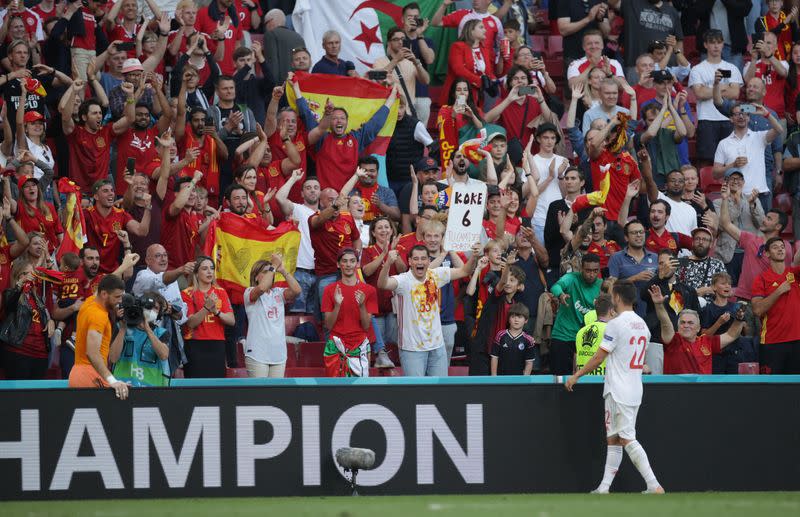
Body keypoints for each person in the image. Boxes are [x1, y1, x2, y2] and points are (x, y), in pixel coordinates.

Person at [565, 280, 664, 495]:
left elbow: (600, 357)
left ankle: (654, 484)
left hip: (619, 389)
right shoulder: (642, 325)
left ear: (617, 297)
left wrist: (576, 376)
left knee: (627, 437)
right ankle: (604, 488)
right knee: (614, 438)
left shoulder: (616, 324)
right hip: (633, 387)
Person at [378, 243, 479, 377]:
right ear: (409, 261)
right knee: (416, 393)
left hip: (437, 347)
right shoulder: (403, 280)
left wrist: (474, 256)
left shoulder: (436, 275)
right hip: (412, 349)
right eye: (416, 259)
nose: (420, 262)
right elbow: (382, 284)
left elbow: (464, 271)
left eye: (423, 258)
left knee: (439, 392)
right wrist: (388, 263)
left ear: (429, 261)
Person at [718, 181, 799, 301]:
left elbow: (786, 272)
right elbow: (725, 224)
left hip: (770, 298)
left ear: (778, 227)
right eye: (766, 217)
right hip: (745, 298)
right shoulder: (750, 239)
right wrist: (724, 199)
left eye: (769, 219)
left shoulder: (784, 246)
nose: (764, 220)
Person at [650, 285, 745, 374]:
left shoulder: (707, 341)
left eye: (690, 323)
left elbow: (731, 335)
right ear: (678, 327)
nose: (686, 325)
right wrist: (659, 305)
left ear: (698, 328)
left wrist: (739, 320)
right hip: (677, 390)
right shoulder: (673, 341)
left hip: (703, 390)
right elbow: (665, 323)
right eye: (683, 322)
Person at [712, 102, 784, 211]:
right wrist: (733, 165)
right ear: (731, 119)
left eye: (744, 113)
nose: (741, 116)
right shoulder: (724, 143)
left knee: (761, 228)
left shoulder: (759, 137)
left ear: (749, 118)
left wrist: (766, 114)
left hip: (760, 195)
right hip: (735, 195)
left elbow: (779, 130)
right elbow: (715, 174)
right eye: (737, 114)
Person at [68, 275, 130, 400]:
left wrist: (124, 266)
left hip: (79, 373)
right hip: (90, 376)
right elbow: (92, 353)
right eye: (117, 297)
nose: (120, 301)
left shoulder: (89, 303)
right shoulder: (98, 316)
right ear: (104, 294)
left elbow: (105, 283)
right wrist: (112, 381)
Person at [688, 29, 743, 166]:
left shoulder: (731, 68)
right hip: (706, 119)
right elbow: (699, 94)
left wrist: (710, 90)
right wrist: (723, 87)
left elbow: (735, 93)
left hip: (728, 119)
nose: (716, 46)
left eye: (719, 42)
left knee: (730, 160)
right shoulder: (697, 69)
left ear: (723, 44)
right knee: (707, 161)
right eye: (712, 43)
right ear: (706, 45)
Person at [322, 248, 378, 377]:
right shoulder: (329, 290)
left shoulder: (369, 290)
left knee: (360, 391)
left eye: (352, 261)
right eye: (345, 261)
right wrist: (337, 305)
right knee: (335, 391)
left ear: (357, 264)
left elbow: (366, 326)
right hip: (336, 345)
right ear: (338, 264)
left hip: (359, 345)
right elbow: (329, 326)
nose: (348, 265)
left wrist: (362, 305)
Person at [244, 254, 301, 378]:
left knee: (275, 396)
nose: (270, 273)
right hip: (257, 354)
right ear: (256, 277)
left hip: (278, 354)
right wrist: (273, 265)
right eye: (264, 272)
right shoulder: (249, 292)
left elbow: (297, 291)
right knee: (260, 395)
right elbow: (262, 287)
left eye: (271, 272)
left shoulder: (278, 293)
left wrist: (283, 270)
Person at [751, 237, 800, 374]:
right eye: (775, 247)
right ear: (767, 253)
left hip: (797, 341)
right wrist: (778, 291)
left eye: (782, 246)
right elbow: (757, 310)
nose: (780, 249)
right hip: (772, 342)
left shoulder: (794, 274)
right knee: (770, 388)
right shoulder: (761, 279)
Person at [181, 256, 235, 378]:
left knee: (216, 388)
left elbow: (232, 321)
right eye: (205, 268)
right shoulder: (187, 293)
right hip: (195, 345)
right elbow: (191, 323)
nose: (210, 271)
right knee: (195, 388)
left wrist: (216, 311)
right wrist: (206, 308)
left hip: (217, 344)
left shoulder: (221, 292)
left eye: (212, 268)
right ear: (196, 273)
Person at [275, 170, 320, 313]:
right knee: (296, 316)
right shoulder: (298, 209)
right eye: (308, 188)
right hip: (299, 271)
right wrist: (293, 178)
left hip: (320, 272)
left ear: (320, 192)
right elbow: (280, 198)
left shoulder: (325, 215)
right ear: (301, 193)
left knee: (315, 320)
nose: (312, 190)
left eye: (316, 188)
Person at [550, 253, 603, 375]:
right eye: (588, 270)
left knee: (584, 382)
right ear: (581, 268)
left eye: (595, 271)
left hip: (588, 341)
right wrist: (561, 295)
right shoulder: (572, 278)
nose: (591, 274)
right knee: (560, 379)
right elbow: (556, 286)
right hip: (564, 335)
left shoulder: (601, 285)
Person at [1, 259, 53, 379]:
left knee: (37, 396)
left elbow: (45, 316)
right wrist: (19, 285)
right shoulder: (10, 293)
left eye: (32, 274)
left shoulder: (37, 297)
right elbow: (10, 305)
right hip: (19, 352)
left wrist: (50, 322)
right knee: (19, 396)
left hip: (41, 354)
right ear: (18, 276)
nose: (31, 277)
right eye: (26, 273)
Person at [111, 292, 171, 387]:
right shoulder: (121, 328)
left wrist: (147, 329)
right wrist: (122, 329)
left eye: (155, 308)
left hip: (151, 389)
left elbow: (164, 355)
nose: (151, 310)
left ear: (159, 314)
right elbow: (113, 358)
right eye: (148, 307)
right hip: (124, 386)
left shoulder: (161, 333)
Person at [490, 302, 539, 376]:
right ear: (508, 319)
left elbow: (529, 363)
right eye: (513, 316)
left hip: (519, 380)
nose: (516, 319)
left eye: (519, 317)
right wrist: (494, 377)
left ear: (526, 320)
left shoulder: (529, 340)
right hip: (501, 378)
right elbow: (494, 358)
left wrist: (525, 380)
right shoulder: (500, 335)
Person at [575, 293, 613, 376]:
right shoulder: (611, 331)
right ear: (611, 311)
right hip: (603, 381)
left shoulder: (580, 332)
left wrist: (575, 377)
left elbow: (576, 358)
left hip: (583, 380)